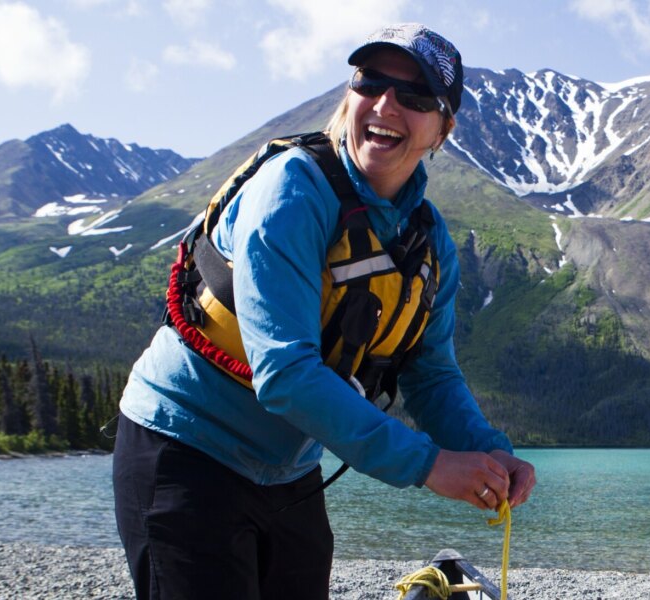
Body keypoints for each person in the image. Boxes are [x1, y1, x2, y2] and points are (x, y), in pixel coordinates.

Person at [112, 23, 536, 599]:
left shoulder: (431, 243)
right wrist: (430, 464)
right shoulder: (292, 190)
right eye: (371, 81)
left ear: (443, 129)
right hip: (185, 449)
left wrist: (491, 453)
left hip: (288, 473)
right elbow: (286, 375)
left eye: (414, 97)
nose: (386, 103)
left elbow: (430, 374)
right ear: (350, 94)